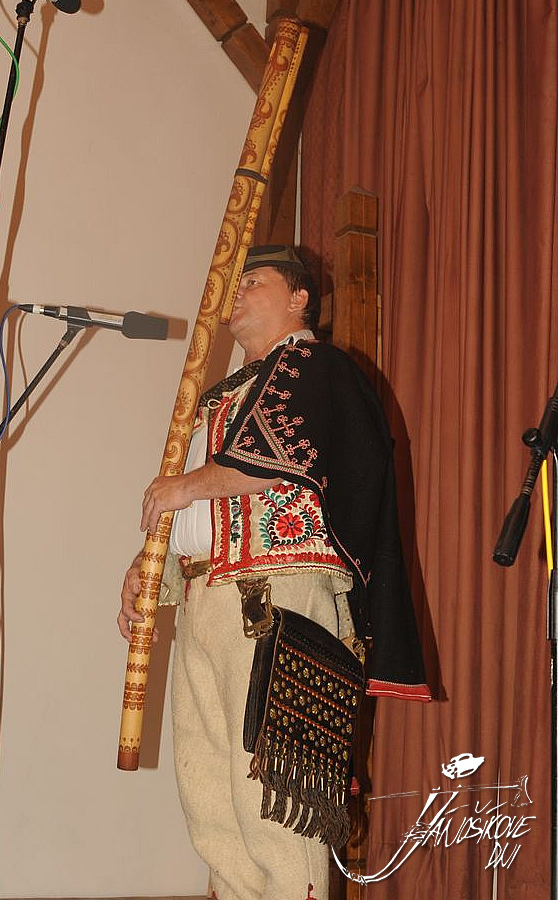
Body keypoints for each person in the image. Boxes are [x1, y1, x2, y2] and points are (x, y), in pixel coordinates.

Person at [119, 245, 429, 900]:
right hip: (207, 599)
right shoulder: (220, 397)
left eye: (252, 280)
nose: (235, 292)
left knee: (276, 808)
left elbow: (277, 458)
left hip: (277, 601)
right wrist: (152, 570)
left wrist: (184, 486)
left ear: (299, 298)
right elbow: (199, 505)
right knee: (211, 807)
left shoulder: (315, 367)